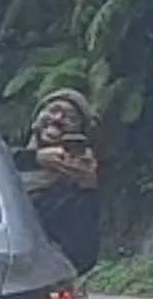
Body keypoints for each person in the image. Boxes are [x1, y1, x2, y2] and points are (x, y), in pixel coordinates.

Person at [17, 87, 100, 276]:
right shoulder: (1, 160)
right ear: (36, 117)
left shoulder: (71, 190)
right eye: (53, 110)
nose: (57, 118)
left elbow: (82, 257)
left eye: (71, 118)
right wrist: (34, 158)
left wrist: (86, 191)